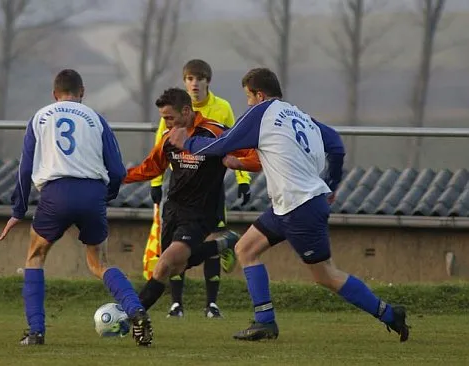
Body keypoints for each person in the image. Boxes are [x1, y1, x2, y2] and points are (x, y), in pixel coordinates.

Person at [168, 68, 410, 342]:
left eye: (248, 97)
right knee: (245, 248)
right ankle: (264, 321)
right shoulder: (301, 116)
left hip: (299, 207)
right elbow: (336, 146)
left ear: (259, 95)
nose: (247, 104)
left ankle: (390, 314)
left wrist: (187, 141)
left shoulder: (262, 112)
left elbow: (224, 143)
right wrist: (330, 183)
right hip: (289, 205)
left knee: (326, 276)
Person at [0, 69, 153, 347]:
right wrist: (106, 197)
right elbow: (117, 170)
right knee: (100, 263)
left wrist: (17, 211)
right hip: (92, 192)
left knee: (35, 256)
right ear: (82, 92)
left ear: (54, 94)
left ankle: (36, 332)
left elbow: (24, 169)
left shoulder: (40, 117)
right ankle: (136, 310)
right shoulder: (96, 119)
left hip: (56, 193)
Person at [124, 87, 261, 315]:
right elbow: (151, 167)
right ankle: (222, 244)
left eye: (170, 117)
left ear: (186, 111)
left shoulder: (216, 133)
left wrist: (240, 165)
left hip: (201, 213)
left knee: (165, 264)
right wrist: (120, 178)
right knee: (174, 267)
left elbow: (256, 156)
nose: (166, 123)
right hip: (173, 210)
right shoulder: (169, 138)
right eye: (163, 118)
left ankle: (130, 315)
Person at [150, 59, 251, 318]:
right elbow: (161, 147)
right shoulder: (172, 110)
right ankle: (176, 303)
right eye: (190, 79)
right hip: (180, 189)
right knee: (173, 248)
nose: (194, 83)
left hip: (208, 191)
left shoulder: (221, 109)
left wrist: (243, 179)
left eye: (199, 79)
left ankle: (212, 303)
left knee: (204, 240)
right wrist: (156, 182)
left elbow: (235, 143)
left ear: (208, 81)